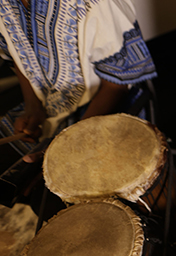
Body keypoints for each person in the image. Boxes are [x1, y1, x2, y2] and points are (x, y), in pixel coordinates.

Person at [0, 0, 157, 164]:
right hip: (49, 107)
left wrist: (71, 140)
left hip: (107, 104)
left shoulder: (97, 3)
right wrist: (32, 108)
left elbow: (116, 85)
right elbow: (16, 54)